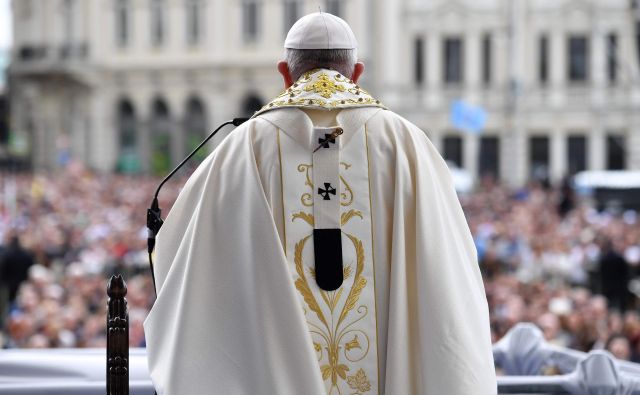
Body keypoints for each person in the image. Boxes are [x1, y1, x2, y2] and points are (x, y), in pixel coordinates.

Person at [144, 12, 497, 394]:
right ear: (357, 71)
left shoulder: (242, 148)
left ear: (284, 71)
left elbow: (183, 268)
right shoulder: (406, 144)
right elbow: (449, 279)